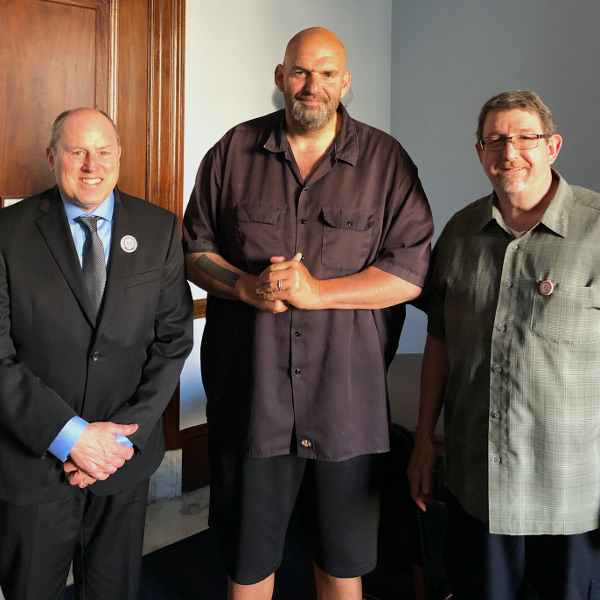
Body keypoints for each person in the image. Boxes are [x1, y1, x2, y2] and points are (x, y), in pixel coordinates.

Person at [183, 26, 433, 600]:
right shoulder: (231, 152)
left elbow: (409, 272)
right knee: (248, 568)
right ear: (280, 77)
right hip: (254, 405)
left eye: (326, 74)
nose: (311, 85)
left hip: (346, 404)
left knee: (341, 568)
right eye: (300, 71)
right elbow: (194, 250)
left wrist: (317, 293)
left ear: (344, 83)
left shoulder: (387, 162)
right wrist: (244, 286)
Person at [408, 90, 600, 599]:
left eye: (524, 138)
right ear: (480, 153)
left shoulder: (597, 228)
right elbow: (439, 341)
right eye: (495, 140)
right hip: (479, 486)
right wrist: (424, 439)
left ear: (553, 146)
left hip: (572, 491)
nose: (509, 152)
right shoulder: (460, 232)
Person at [0, 107, 193, 600]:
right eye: (77, 152)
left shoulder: (160, 229)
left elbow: (172, 341)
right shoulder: (8, 233)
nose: (92, 164)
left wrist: (116, 444)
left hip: (122, 461)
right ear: (51, 157)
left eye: (104, 152)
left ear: (119, 156)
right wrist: (71, 438)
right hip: (34, 463)